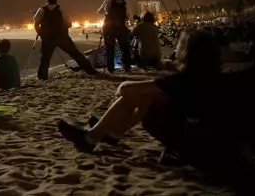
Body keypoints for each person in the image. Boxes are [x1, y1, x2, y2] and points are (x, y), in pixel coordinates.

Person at [56, 29, 224, 158]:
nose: (176, 46)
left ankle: (92, 137)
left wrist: (123, 85)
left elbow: (126, 90)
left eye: (179, 44)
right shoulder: (215, 77)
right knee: (148, 95)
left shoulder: (183, 80)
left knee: (142, 95)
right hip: (208, 139)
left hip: (189, 141)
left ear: (187, 52)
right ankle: (111, 134)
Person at [33, 0, 97, 79]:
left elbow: (36, 24)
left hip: (48, 39)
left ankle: (42, 77)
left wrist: (41, 34)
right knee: (75, 54)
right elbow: (69, 24)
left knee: (45, 58)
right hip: (62, 37)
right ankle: (90, 70)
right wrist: (61, 29)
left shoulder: (42, 10)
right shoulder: (62, 10)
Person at [97, 0, 133, 72]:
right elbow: (128, 16)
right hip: (121, 28)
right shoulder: (125, 5)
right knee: (125, 48)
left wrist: (106, 12)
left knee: (110, 49)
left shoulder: (108, 2)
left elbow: (99, 12)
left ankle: (110, 68)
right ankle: (126, 66)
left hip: (108, 28)